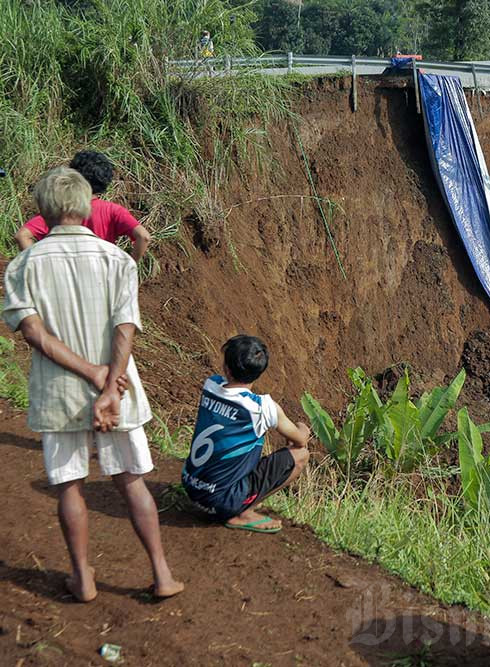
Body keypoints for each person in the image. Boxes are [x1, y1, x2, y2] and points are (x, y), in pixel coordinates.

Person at [2, 167, 183, 602]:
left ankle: (82, 579)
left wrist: (89, 373)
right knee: (130, 480)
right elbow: (126, 327)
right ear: (86, 207)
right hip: (117, 393)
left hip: (59, 393)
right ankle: (161, 575)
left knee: (68, 485)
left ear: (42, 213)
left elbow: (34, 334)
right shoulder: (117, 259)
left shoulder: (23, 265)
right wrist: (106, 383)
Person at [181, 335, 310, 533]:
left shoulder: (210, 385)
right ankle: (242, 511)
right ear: (260, 371)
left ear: (226, 368)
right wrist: (303, 427)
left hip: (191, 487)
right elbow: (300, 439)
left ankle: (239, 502)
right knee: (301, 455)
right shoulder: (262, 407)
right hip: (221, 502)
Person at [14, 151, 153, 263]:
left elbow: (22, 235)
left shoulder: (62, 208)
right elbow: (143, 236)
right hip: (101, 277)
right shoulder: (114, 211)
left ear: (74, 177)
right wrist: (130, 266)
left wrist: (37, 264)